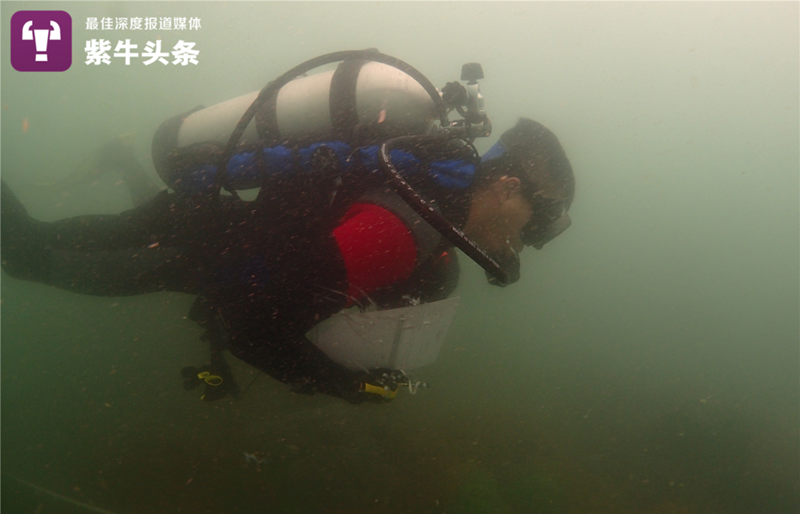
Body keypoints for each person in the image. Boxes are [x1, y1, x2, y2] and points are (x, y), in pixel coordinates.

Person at [1, 117, 575, 404]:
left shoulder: (431, 213)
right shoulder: (406, 230)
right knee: (22, 253)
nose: (530, 241)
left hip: (198, 226)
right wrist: (348, 386)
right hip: (181, 249)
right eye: (538, 220)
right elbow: (253, 330)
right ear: (504, 187)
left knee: (29, 247)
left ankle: (118, 161)